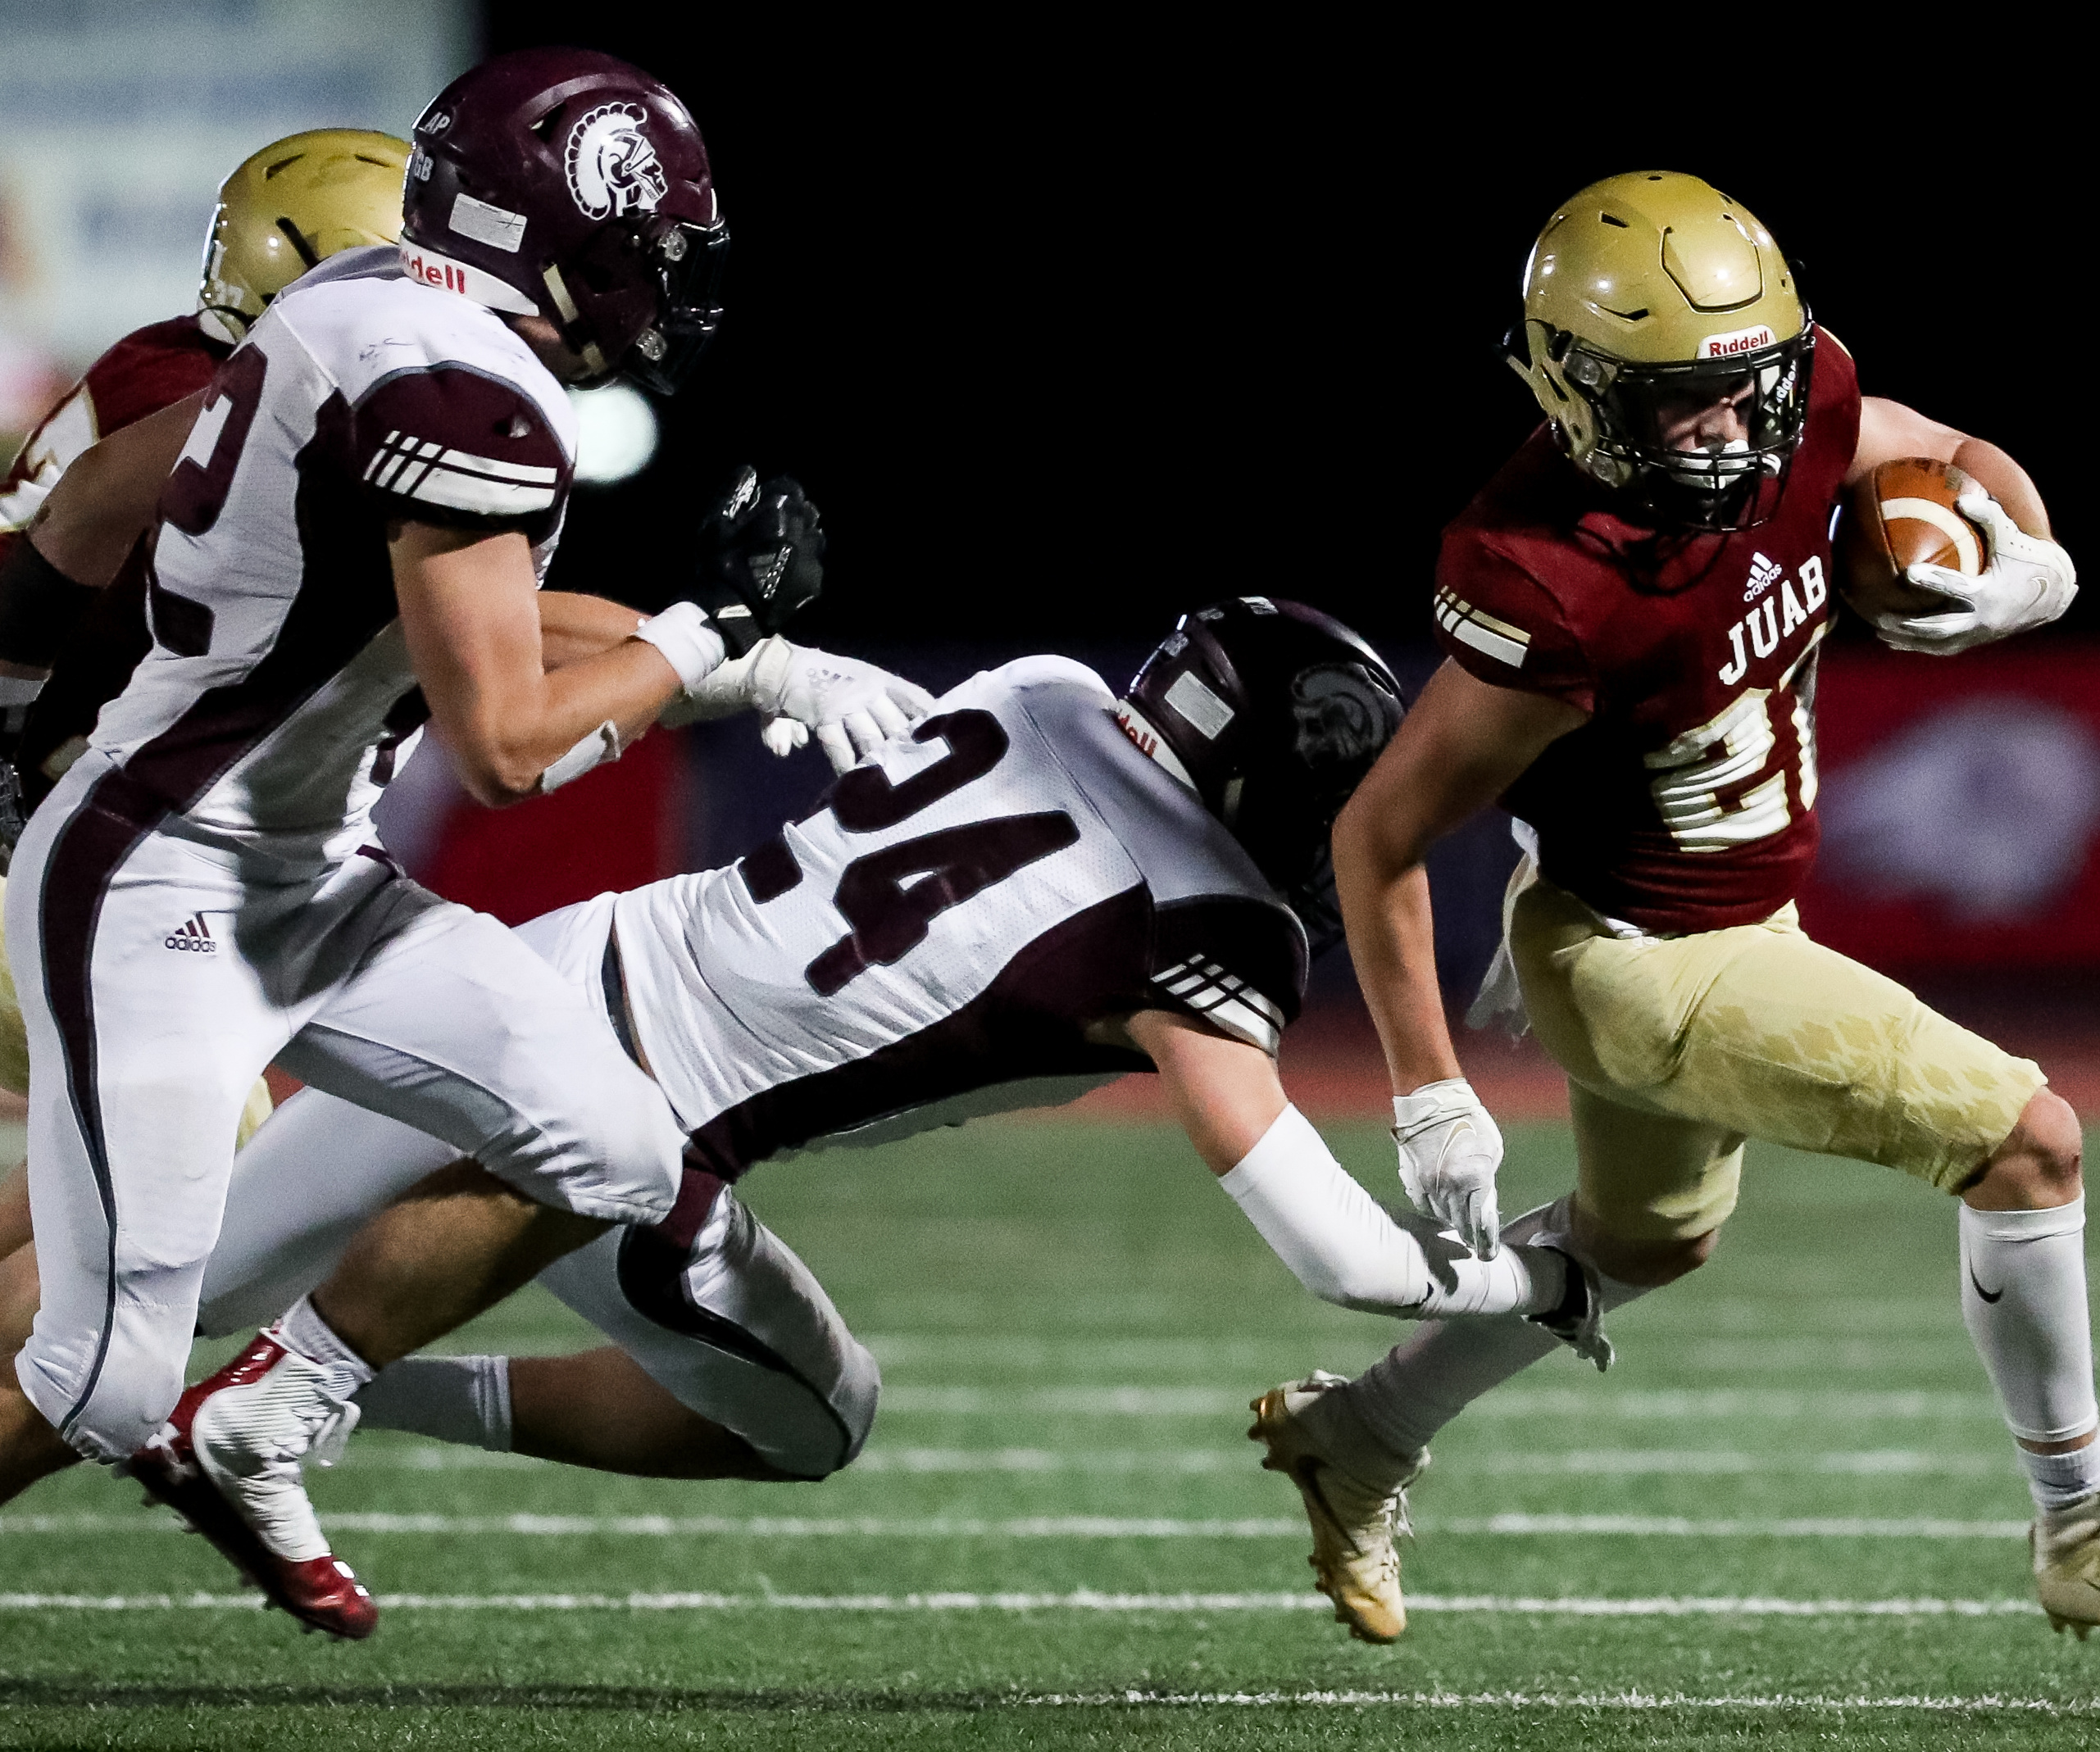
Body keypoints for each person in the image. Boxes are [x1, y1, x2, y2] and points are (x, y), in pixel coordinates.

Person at [1243, 171, 2100, 1653]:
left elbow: (1961, 453)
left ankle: (1359, 1433)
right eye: (1677, 404)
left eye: (1746, 389)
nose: (1729, 428)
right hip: (1639, 956)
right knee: (2029, 1142)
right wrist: (1429, 1092)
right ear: (1581, 392)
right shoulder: (1550, 570)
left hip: (1736, 921)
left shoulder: (1802, 401)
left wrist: (2022, 572)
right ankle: (2084, 1526)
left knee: (1646, 1240)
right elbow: (1382, 832)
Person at [21, 601, 1598, 1488]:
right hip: (634, 1144)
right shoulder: (1209, 933)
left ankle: (287, 1361)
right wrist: (1535, 1282)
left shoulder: (1042, 681)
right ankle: (322, 1378)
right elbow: (1339, 1255)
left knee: (145, 1274)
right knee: (815, 1419)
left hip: (545, 966)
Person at [0, 49, 859, 1640]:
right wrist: (714, 628)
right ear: (558, 232)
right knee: (99, 1379)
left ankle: (286, 1396)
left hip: (314, 881)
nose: (662, 287)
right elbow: (511, 747)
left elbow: (92, 523)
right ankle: (210, 1372)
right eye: (644, 248)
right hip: (157, 879)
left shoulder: (373, 301)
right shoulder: (458, 386)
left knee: (613, 1142)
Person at [0, 129, 413, 1148]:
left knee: (174, 1147)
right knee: (211, 1134)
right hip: (39, 821)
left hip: (72, 820)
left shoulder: (179, 366)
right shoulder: (216, 406)